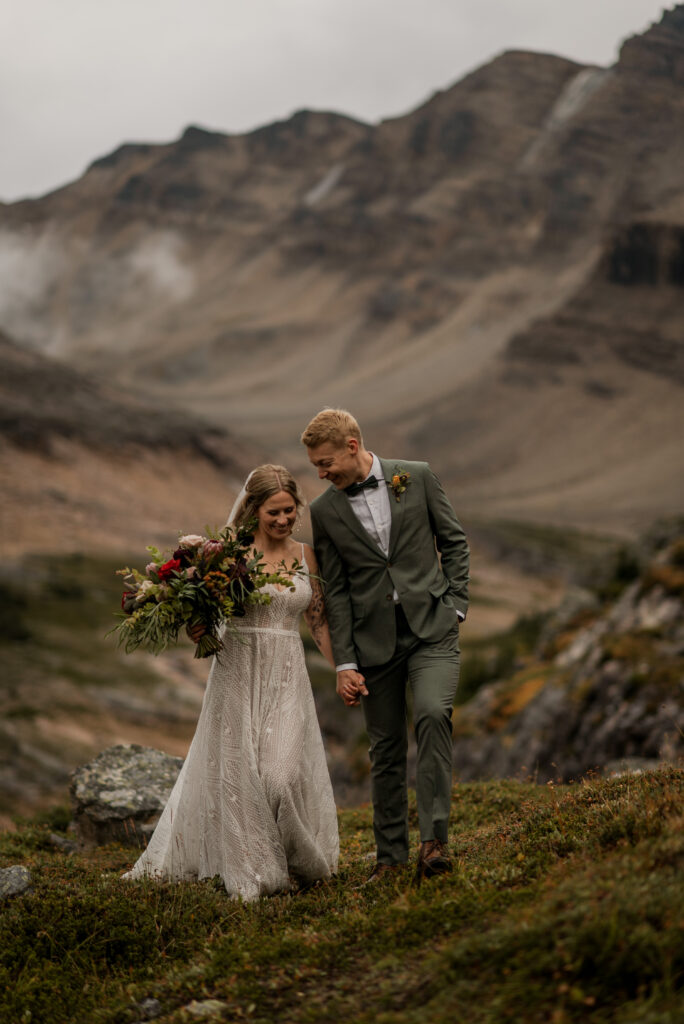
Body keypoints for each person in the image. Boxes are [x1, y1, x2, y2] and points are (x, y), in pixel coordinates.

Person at [123, 465, 339, 900]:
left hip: (286, 675)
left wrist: (344, 669)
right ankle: (257, 871)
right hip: (238, 671)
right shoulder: (228, 556)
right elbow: (209, 615)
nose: (283, 520)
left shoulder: (304, 555)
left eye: (289, 511)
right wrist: (197, 627)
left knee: (280, 776)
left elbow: (318, 622)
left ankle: (303, 860)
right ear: (253, 509)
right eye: (273, 512)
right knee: (240, 777)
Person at [301, 410, 469, 882]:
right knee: (386, 749)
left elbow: (453, 541)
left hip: (431, 628)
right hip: (373, 646)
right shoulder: (323, 511)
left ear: (352, 446)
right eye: (315, 465)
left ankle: (434, 844)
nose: (321, 472)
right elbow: (333, 589)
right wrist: (344, 662)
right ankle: (390, 860)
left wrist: (455, 604)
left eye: (326, 461)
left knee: (434, 714)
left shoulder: (415, 476)